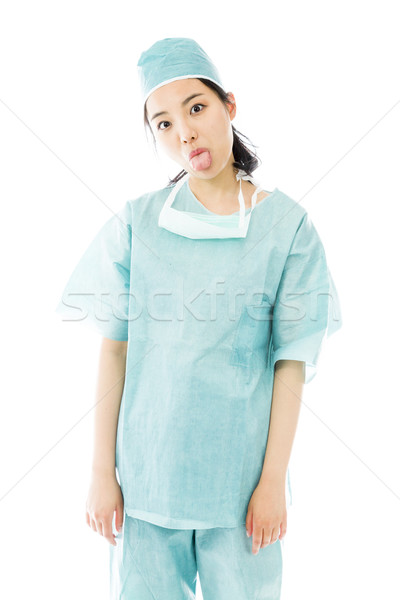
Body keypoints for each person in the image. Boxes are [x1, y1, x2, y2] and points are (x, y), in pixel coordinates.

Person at [55, 37, 342, 600]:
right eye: (161, 123)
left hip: (238, 490)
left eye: (195, 108)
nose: (183, 133)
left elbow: (292, 363)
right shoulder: (138, 223)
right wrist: (101, 474)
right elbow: (116, 348)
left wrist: (271, 484)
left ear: (229, 106)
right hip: (146, 480)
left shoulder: (286, 228)